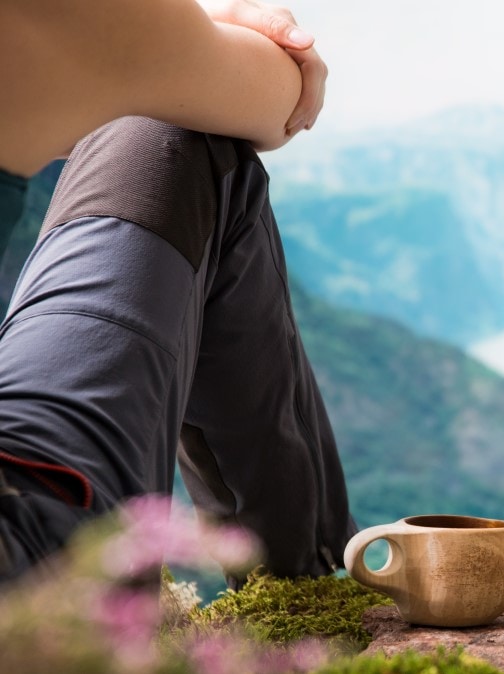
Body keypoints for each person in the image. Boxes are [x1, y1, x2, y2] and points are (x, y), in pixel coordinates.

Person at [0, 0, 356, 582]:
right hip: (24, 556)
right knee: (172, 133)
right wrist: (185, 40)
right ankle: (296, 591)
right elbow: (276, 98)